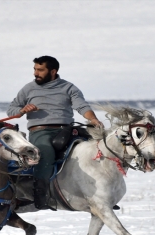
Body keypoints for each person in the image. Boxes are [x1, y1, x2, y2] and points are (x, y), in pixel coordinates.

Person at [7, 56, 103, 211]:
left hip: (66, 129)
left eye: (40, 70)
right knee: (44, 151)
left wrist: (93, 119)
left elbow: (82, 106)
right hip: (41, 131)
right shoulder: (28, 89)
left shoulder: (68, 87)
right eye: (35, 69)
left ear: (53, 71)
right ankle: (41, 196)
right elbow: (11, 110)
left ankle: (103, 193)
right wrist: (22, 110)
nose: (35, 73)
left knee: (96, 147)